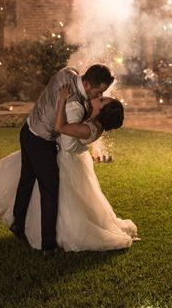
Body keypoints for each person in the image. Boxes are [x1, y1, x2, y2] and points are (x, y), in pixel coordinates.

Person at [0, 81, 138, 253]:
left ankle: (48, 235)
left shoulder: (90, 128)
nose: (99, 97)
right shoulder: (91, 120)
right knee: (37, 186)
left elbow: (60, 128)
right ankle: (23, 224)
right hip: (64, 157)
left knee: (60, 197)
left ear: (102, 111)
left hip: (66, 161)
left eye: (102, 101)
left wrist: (62, 101)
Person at [11, 64, 114, 254]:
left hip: (27, 129)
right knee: (50, 190)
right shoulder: (74, 103)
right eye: (98, 91)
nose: (98, 96)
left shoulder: (67, 72)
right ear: (88, 84)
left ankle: (18, 223)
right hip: (41, 141)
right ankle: (48, 244)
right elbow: (67, 140)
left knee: (27, 179)